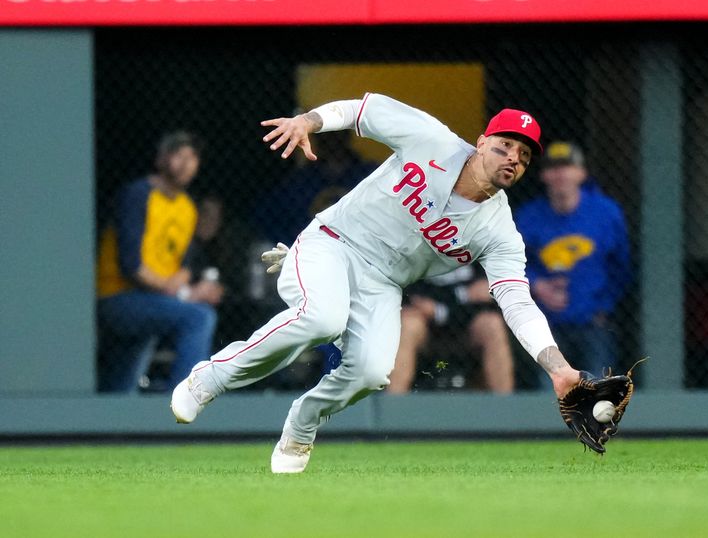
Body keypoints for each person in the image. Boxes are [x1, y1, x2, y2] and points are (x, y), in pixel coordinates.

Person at [171, 93, 585, 473]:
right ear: (481, 142)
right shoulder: (432, 139)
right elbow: (360, 112)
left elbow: (516, 302)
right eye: (505, 145)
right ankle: (210, 377)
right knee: (322, 319)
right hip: (332, 243)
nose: (514, 157)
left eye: (525, 154)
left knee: (370, 372)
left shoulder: (500, 232)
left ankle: (302, 423)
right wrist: (309, 122)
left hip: (383, 284)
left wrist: (560, 369)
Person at [96, 131, 224, 392]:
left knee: (121, 387)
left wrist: (187, 289)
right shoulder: (138, 194)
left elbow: (185, 265)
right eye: (179, 155)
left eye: (193, 157)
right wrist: (183, 293)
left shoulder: (187, 207)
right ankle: (184, 400)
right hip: (119, 297)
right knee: (199, 318)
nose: (186, 163)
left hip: (155, 301)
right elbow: (131, 266)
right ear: (161, 159)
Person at [514, 141, 632, 377]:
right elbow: (511, 264)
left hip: (594, 322)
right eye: (553, 168)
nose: (560, 174)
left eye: (567, 167)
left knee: (598, 391)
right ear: (543, 175)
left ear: (581, 173)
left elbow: (622, 267)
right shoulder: (528, 216)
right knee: (548, 392)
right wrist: (538, 286)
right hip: (545, 324)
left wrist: (603, 305)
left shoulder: (606, 213)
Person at [387, 265, 515, 393]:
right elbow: (412, 294)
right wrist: (464, 296)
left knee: (493, 324)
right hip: (425, 323)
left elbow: (485, 292)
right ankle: (392, 406)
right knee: (408, 324)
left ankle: (504, 407)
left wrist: (440, 309)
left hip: (469, 322)